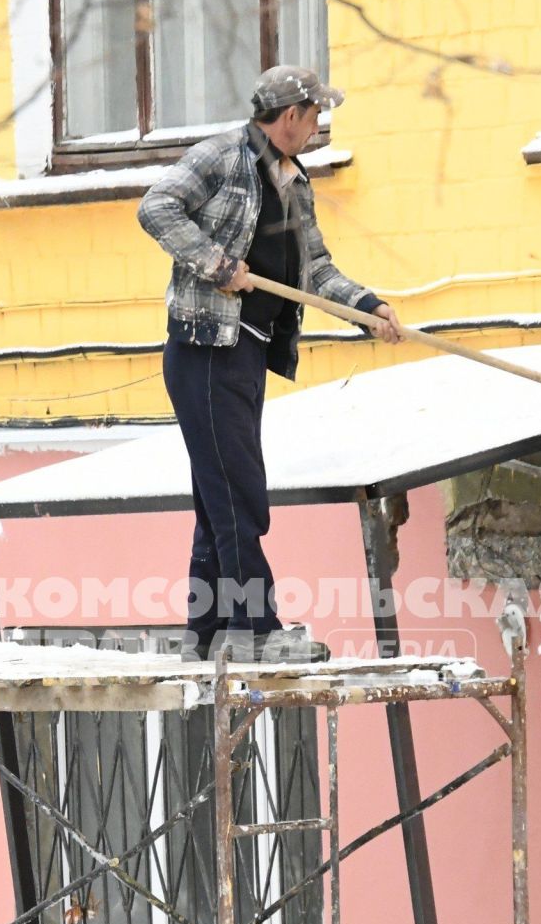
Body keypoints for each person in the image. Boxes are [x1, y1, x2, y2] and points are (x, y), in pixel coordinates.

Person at [138, 65, 403, 663]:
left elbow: (318, 272)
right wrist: (214, 262)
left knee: (218, 498)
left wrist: (369, 309)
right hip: (205, 351)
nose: (317, 128)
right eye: (315, 118)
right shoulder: (222, 157)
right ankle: (258, 630)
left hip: (249, 351)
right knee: (238, 492)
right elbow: (156, 207)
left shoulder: (293, 183)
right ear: (291, 117)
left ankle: (204, 636)